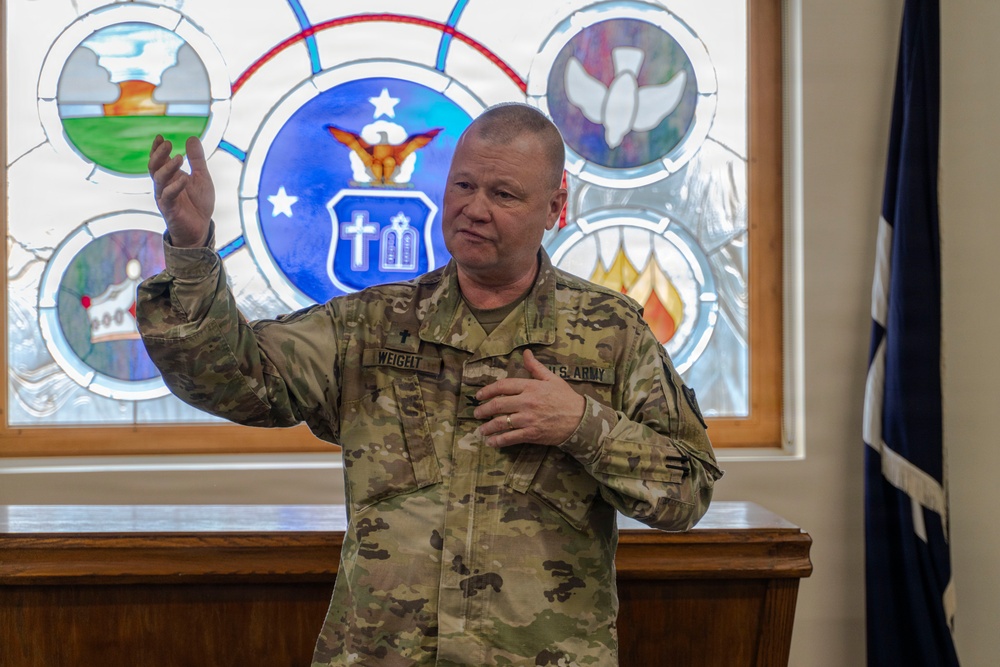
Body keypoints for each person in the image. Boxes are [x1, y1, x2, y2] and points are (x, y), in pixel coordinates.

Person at [138, 103, 722, 666]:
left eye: (503, 194)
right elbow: (232, 380)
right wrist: (192, 251)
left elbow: (688, 491)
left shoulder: (610, 332)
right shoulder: (372, 325)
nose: (474, 208)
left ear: (555, 207)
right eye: (463, 186)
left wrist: (581, 425)